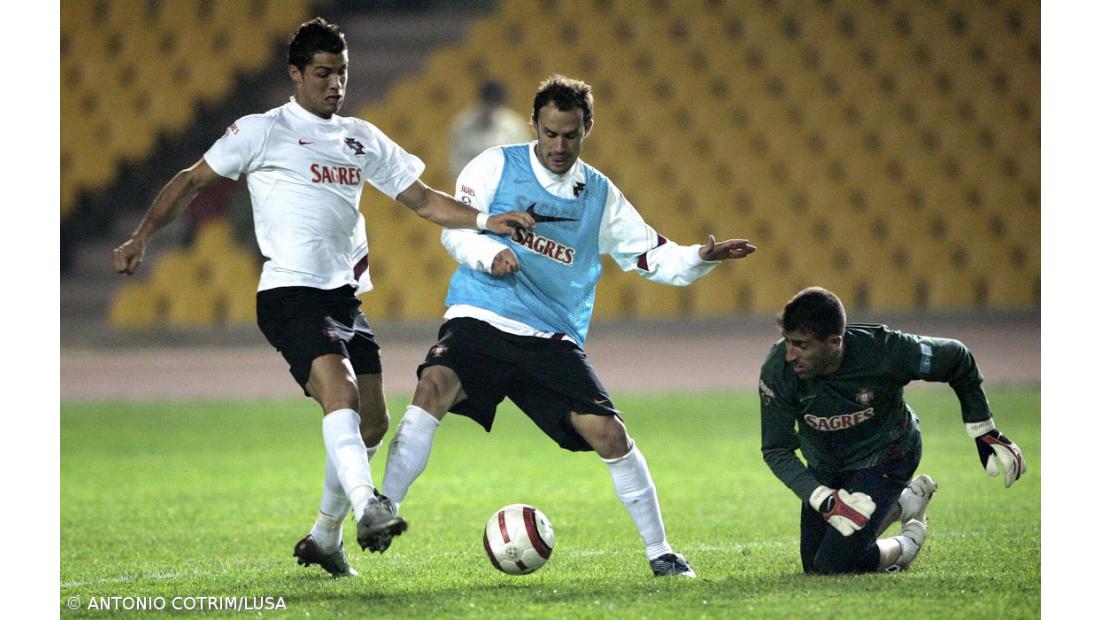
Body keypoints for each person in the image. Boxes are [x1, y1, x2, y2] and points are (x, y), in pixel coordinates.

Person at [112, 18, 534, 579]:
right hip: (289, 290)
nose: (335, 83)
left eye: (341, 72)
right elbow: (191, 179)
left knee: (374, 424)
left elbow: (425, 200)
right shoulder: (261, 131)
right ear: (295, 74)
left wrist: (487, 221)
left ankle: (323, 538)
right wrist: (142, 235)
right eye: (323, 73)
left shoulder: (361, 137)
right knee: (341, 391)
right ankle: (369, 508)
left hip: (343, 296)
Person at [377, 75, 757, 578]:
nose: (559, 146)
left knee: (609, 433)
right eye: (550, 134)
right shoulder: (493, 166)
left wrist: (699, 256)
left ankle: (661, 551)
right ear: (534, 125)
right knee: (433, 385)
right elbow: (458, 230)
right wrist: (490, 255)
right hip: (482, 313)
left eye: (570, 135)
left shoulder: (599, 194)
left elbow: (648, 253)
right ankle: (384, 508)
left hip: (550, 333)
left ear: (587, 129)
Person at [759, 287, 1027, 574]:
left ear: (834, 342)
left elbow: (956, 358)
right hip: (826, 464)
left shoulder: (885, 351)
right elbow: (777, 449)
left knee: (832, 565)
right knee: (814, 567)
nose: (789, 355)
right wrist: (822, 497)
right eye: (787, 341)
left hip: (886, 456)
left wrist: (983, 428)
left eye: (801, 345)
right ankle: (905, 503)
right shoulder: (778, 371)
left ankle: (907, 544)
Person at [448, 79, 531, 179]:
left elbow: (522, 162)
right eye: (487, 104)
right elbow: (455, 162)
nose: (490, 110)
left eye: (495, 105)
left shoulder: (514, 127)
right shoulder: (462, 126)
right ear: (480, 101)